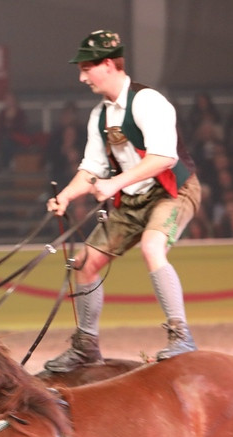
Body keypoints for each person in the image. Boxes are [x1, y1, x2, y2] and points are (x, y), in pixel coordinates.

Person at [44, 29, 202, 372]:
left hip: (172, 191)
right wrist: (67, 195)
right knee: (85, 262)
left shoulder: (148, 102)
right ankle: (86, 346)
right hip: (132, 200)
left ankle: (181, 336)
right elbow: (91, 168)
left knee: (152, 247)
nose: (82, 77)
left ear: (107, 64)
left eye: (87, 68)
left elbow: (164, 158)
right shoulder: (100, 116)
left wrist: (114, 183)